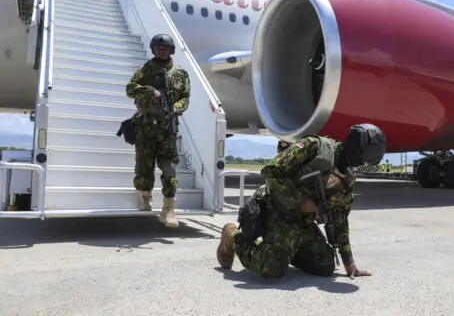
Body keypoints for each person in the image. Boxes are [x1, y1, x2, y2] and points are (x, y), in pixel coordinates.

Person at [216, 124, 387, 279]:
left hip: (301, 222)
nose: (362, 163)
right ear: (356, 149)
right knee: (272, 268)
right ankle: (232, 236)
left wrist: (349, 262)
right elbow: (271, 171)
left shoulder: (347, 180)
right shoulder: (315, 147)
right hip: (274, 208)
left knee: (325, 264)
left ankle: (285, 250)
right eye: (364, 158)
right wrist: (302, 200)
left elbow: (340, 220)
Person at [126, 34, 191, 227]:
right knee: (144, 167)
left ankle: (168, 209)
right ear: (154, 49)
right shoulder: (144, 70)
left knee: (169, 168)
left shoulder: (180, 73)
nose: (162, 50)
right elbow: (130, 89)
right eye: (159, 47)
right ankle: (145, 196)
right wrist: (149, 91)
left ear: (171, 50)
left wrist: (176, 108)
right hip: (146, 126)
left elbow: (186, 98)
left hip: (168, 127)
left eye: (166, 47)